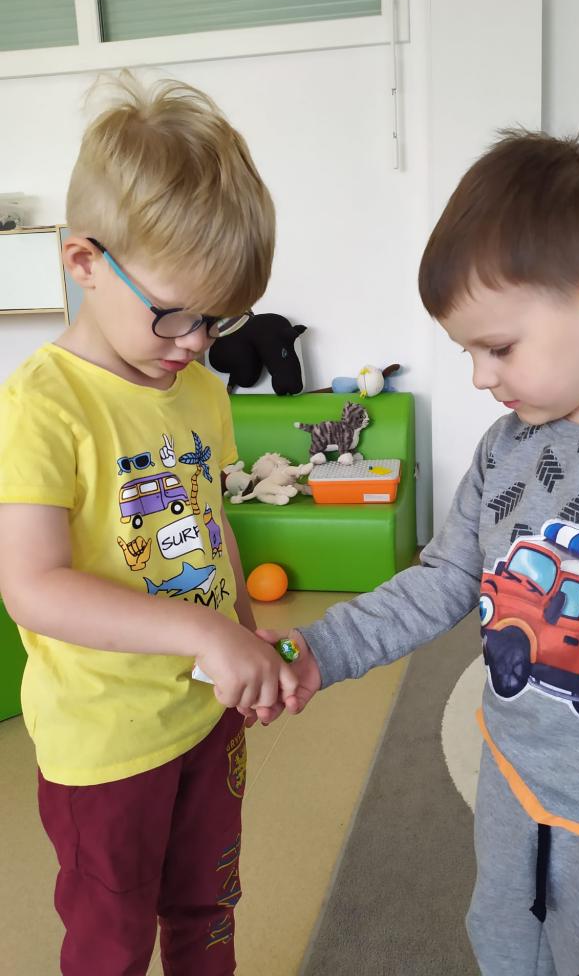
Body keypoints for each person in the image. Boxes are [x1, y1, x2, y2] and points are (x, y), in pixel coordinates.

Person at [256, 131, 579, 975]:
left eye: (498, 348)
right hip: (514, 785)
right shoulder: (507, 448)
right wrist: (321, 648)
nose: (479, 377)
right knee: (502, 943)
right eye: (467, 351)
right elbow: (445, 577)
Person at [0, 72, 296, 976]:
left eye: (218, 320)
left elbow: (210, 521)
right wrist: (201, 630)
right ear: (84, 261)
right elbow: (32, 585)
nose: (197, 342)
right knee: (112, 942)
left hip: (205, 714)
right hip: (105, 744)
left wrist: (240, 628)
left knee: (208, 909)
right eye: (174, 314)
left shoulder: (199, 388)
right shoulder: (42, 405)